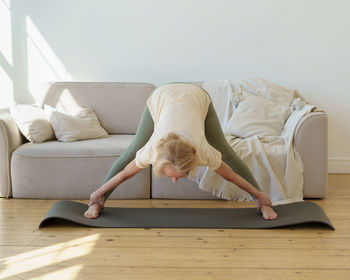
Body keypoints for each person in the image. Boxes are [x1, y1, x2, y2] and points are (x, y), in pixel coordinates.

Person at [84, 83, 278, 220]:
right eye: (173, 176)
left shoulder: (202, 151)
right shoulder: (152, 150)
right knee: (132, 151)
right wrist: (97, 193)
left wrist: (260, 196)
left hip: (196, 96)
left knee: (226, 152)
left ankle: (262, 204)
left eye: (179, 176)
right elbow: (125, 174)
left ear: (194, 160)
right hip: (162, 96)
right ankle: (98, 202)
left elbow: (231, 177)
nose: (175, 181)